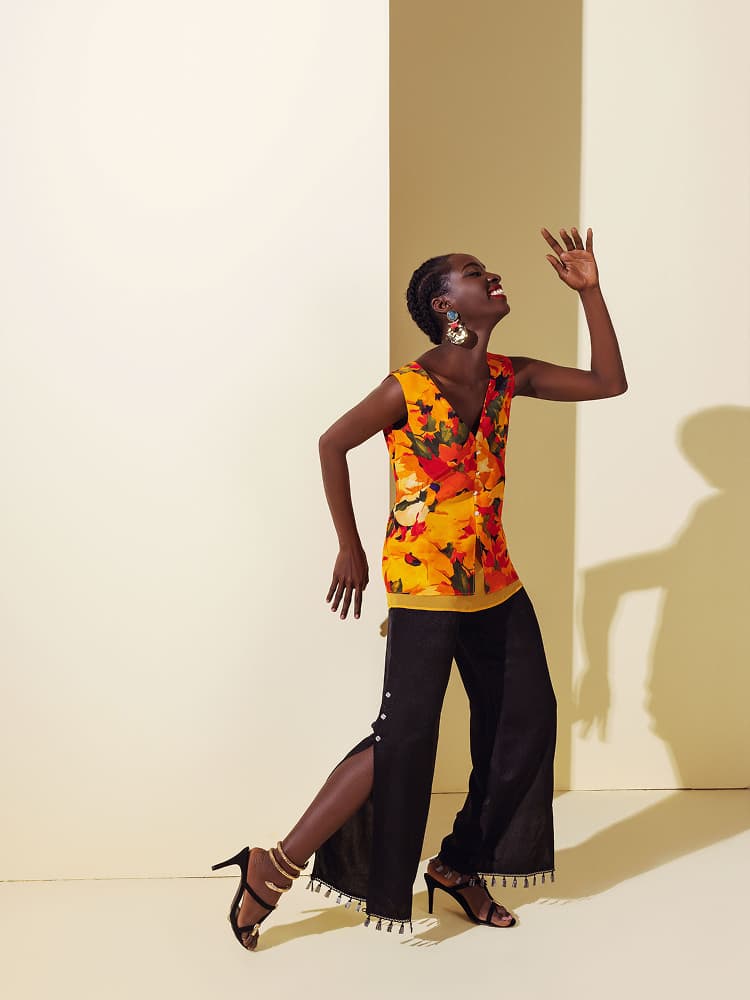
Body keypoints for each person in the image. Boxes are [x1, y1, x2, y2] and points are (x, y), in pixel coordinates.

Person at [212, 225, 627, 950]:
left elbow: (608, 382)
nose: (492, 275)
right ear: (446, 304)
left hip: (495, 582)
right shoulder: (406, 387)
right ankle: (272, 866)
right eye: (475, 272)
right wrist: (350, 544)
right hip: (425, 585)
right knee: (403, 738)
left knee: (527, 720)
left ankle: (460, 865)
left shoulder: (507, 375)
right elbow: (332, 442)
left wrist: (590, 292)